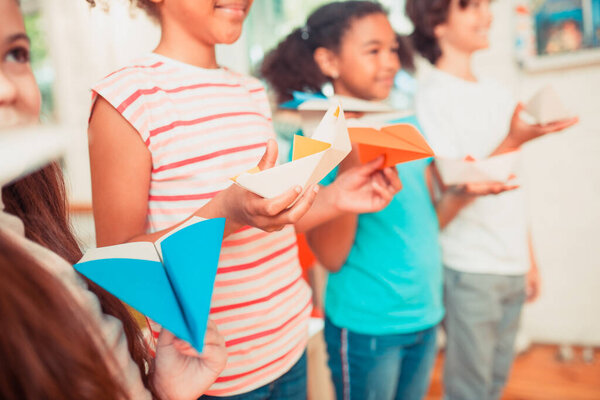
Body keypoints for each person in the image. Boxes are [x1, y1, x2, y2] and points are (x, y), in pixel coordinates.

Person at [84, 0, 402, 397]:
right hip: (208, 374)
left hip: (290, 345)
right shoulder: (127, 99)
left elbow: (272, 217)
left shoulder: (251, 91)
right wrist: (224, 212)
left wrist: (339, 196)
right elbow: (120, 267)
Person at [0, 0, 226, 397]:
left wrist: (161, 390)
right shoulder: (127, 98)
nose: (6, 89)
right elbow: (121, 248)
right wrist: (228, 210)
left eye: (15, 54)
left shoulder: (30, 240)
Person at [262, 3, 441, 399]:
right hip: (367, 325)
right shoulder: (316, 142)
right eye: (373, 50)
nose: (391, 62)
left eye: (393, 49)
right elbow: (330, 257)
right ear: (329, 60)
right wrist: (349, 160)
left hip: (426, 313)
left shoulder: (407, 123)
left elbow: (427, 219)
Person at [406, 1, 579, 399]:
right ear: (436, 24)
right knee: (469, 389)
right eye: (471, 7)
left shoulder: (498, 92)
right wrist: (515, 138)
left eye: (486, 5)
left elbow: (516, 183)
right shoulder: (430, 97)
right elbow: (457, 187)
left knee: (496, 383)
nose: (487, 15)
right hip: (469, 265)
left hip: (511, 263)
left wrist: (528, 258)